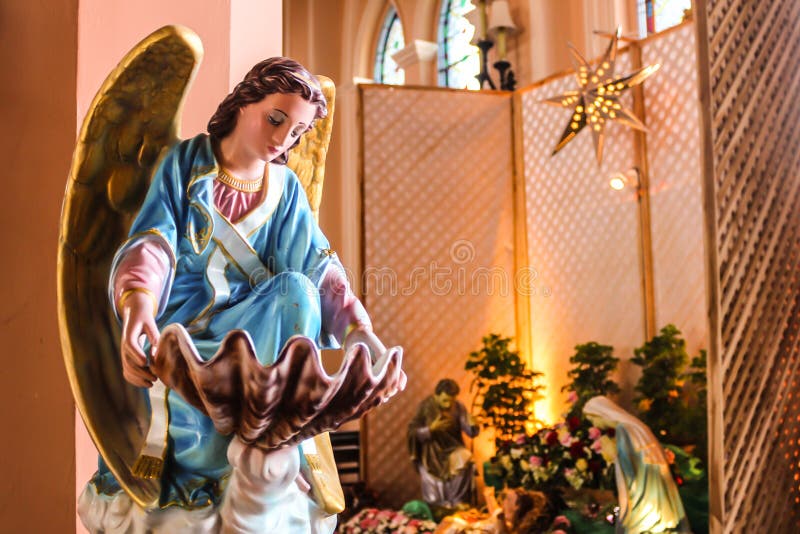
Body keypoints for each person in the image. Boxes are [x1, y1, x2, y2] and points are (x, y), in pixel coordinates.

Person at [78, 57, 398, 533]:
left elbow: (317, 265)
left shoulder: (284, 188)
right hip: (190, 334)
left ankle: (269, 433)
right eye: (276, 118)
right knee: (206, 404)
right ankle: (206, 468)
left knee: (298, 292)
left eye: (297, 132)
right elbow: (154, 243)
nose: (283, 138)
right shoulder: (186, 165)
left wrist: (358, 329)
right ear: (245, 101)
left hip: (259, 334)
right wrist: (138, 306)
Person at [583, 396, 691, 534]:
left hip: (643, 486)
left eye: (592, 419)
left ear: (601, 414)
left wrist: (613, 455)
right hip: (655, 483)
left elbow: (628, 467)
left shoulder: (623, 429)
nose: (594, 425)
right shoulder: (635, 426)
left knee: (636, 523)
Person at [408, 379, 480, 508]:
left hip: (453, 448)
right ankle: (439, 506)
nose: (448, 405)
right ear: (436, 395)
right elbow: (412, 432)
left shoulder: (458, 407)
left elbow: (470, 430)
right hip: (431, 453)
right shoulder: (425, 407)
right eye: (445, 401)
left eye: (451, 401)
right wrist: (430, 429)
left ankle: (458, 501)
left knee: (465, 457)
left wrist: (473, 425)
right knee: (433, 484)